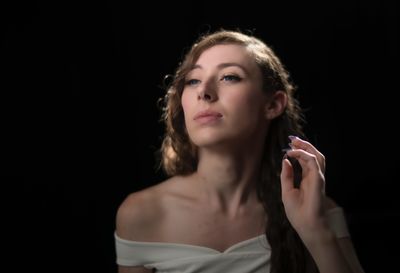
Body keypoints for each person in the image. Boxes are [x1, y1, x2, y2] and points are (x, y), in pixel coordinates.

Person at [115, 29, 365, 273]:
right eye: (193, 80)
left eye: (229, 77)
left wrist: (316, 231)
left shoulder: (316, 209)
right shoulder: (142, 214)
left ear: (273, 104)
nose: (204, 92)